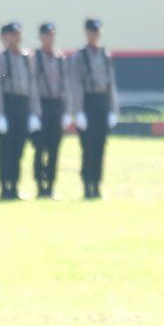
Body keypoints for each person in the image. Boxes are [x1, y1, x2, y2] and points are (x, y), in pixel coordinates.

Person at [0, 22, 40, 201]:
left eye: (18, 34)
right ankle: (5, 185)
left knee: (19, 148)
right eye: (13, 34)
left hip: (22, 105)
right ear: (5, 37)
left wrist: (34, 112)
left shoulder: (27, 58)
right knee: (6, 149)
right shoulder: (0, 60)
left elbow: (32, 86)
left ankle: (15, 184)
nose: (17, 38)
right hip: (7, 105)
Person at [70, 18, 118, 199]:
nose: (94, 35)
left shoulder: (105, 55)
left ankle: (97, 184)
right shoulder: (80, 57)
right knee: (87, 147)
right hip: (88, 103)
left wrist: (113, 109)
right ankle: (87, 184)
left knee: (100, 147)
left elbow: (110, 83)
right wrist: (79, 111)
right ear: (86, 33)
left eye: (97, 32)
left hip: (102, 102)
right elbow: (76, 84)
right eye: (91, 32)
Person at [30, 22, 72, 199]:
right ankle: (40, 184)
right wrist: (33, 112)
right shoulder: (33, 58)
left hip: (56, 105)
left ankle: (51, 184)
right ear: (40, 37)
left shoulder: (60, 58)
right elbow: (31, 85)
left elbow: (66, 85)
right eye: (46, 35)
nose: (50, 38)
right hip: (41, 106)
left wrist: (67, 111)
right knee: (40, 148)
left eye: (52, 35)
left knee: (54, 148)